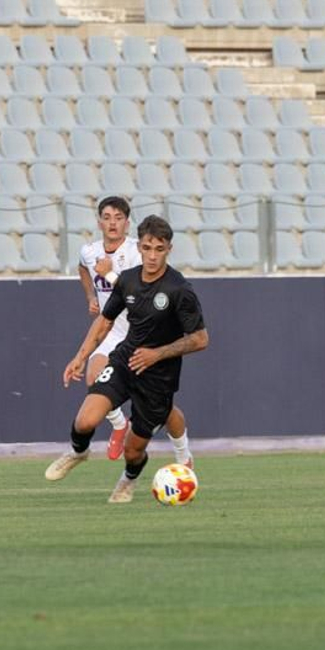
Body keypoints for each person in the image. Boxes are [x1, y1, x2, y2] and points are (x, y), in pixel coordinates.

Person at [47, 215, 208, 503]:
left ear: (168, 249)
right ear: (140, 246)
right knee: (85, 421)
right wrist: (80, 357)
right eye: (147, 247)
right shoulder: (129, 280)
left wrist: (157, 353)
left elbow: (200, 339)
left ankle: (127, 480)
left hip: (159, 378)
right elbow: (105, 321)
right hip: (125, 361)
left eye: (159, 249)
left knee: (133, 451)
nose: (152, 255)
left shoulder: (179, 289)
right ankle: (78, 451)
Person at [76, 195, 194, 465]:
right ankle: (119, 425)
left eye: (118, 218)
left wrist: (107, 274)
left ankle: (183, 452)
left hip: (143, 333)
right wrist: (90, 296)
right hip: (112, 330)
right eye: (107, 218)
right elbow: (83, 267)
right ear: (99, 222)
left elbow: (139, 290)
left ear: (127, 224)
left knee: (162, 410)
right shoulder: (90, 251)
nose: (112, 224)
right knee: (94, 377)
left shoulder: (135, 251)